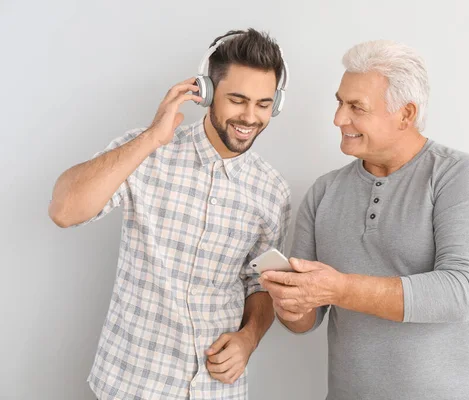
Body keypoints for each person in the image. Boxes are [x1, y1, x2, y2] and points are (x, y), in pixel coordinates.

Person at [48, 28, 291, 400]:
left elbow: (260, 284)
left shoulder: (273, 191)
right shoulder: (146, 153)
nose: (249, 116)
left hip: (217, 390)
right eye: (237, 99)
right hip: (133, 384)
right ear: (206, 92)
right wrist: (150, 139)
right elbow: (64, 210)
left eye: (262, 104)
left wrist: (249, 338)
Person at [259, 40, 469, 400]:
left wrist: (340, 288)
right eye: (340, 102)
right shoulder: (324, 192)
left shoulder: (459, 176)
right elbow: (307, 320)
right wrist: (292, 305)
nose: (339, 118)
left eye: (356, 107)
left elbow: (461, 292)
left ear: (406, 115)